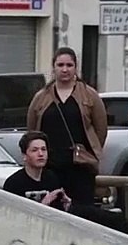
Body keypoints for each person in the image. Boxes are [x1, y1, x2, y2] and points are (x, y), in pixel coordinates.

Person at [25, 47, 109, 210]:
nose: (65, 69)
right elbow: (32, 129)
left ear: (75, 67)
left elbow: (101, 129)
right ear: (54, 67)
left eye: (69, 65)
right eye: (60, 65)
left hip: (80, 167)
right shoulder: (41, 97)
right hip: (50, 167)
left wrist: (91, 152)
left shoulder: (89, 95)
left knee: (83, 211)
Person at [3, 130, 128, 234]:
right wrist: (43, 205)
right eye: (34, 150)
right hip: (32, 228)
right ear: (24, 156)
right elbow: (13, 220)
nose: (40, 154)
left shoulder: (51, 177)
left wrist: (66, 202)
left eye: (44, 149)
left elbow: (63, 210)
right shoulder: (14, 183)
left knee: (116, 221)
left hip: (58, 223)